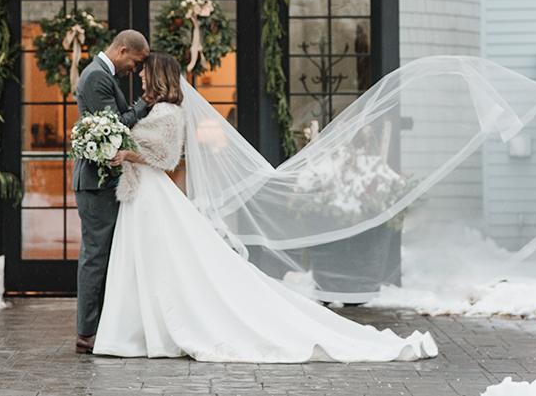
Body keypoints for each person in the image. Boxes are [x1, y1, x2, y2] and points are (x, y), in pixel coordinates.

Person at [91, 52, 438, 363]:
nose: (138, 78)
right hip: (142, 194)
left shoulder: (167, 113)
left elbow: (165, 157)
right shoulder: (156, 109)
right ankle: (139, 331)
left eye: (143, 73)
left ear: (157, 76)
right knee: (148, 262)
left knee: (162, 262)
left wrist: (127, 153)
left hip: (154, 193)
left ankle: (151, 332)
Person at [72, 29, 150, 355]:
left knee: (104, 255)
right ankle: (87, 332)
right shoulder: (96, 78)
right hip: (96, 182)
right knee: (96, 257)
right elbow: (116, 127)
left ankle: (100, 326)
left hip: (104, 182)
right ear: (121, 50)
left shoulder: (102, 74)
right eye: (136, 61)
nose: (136, 68)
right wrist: (145, 104)